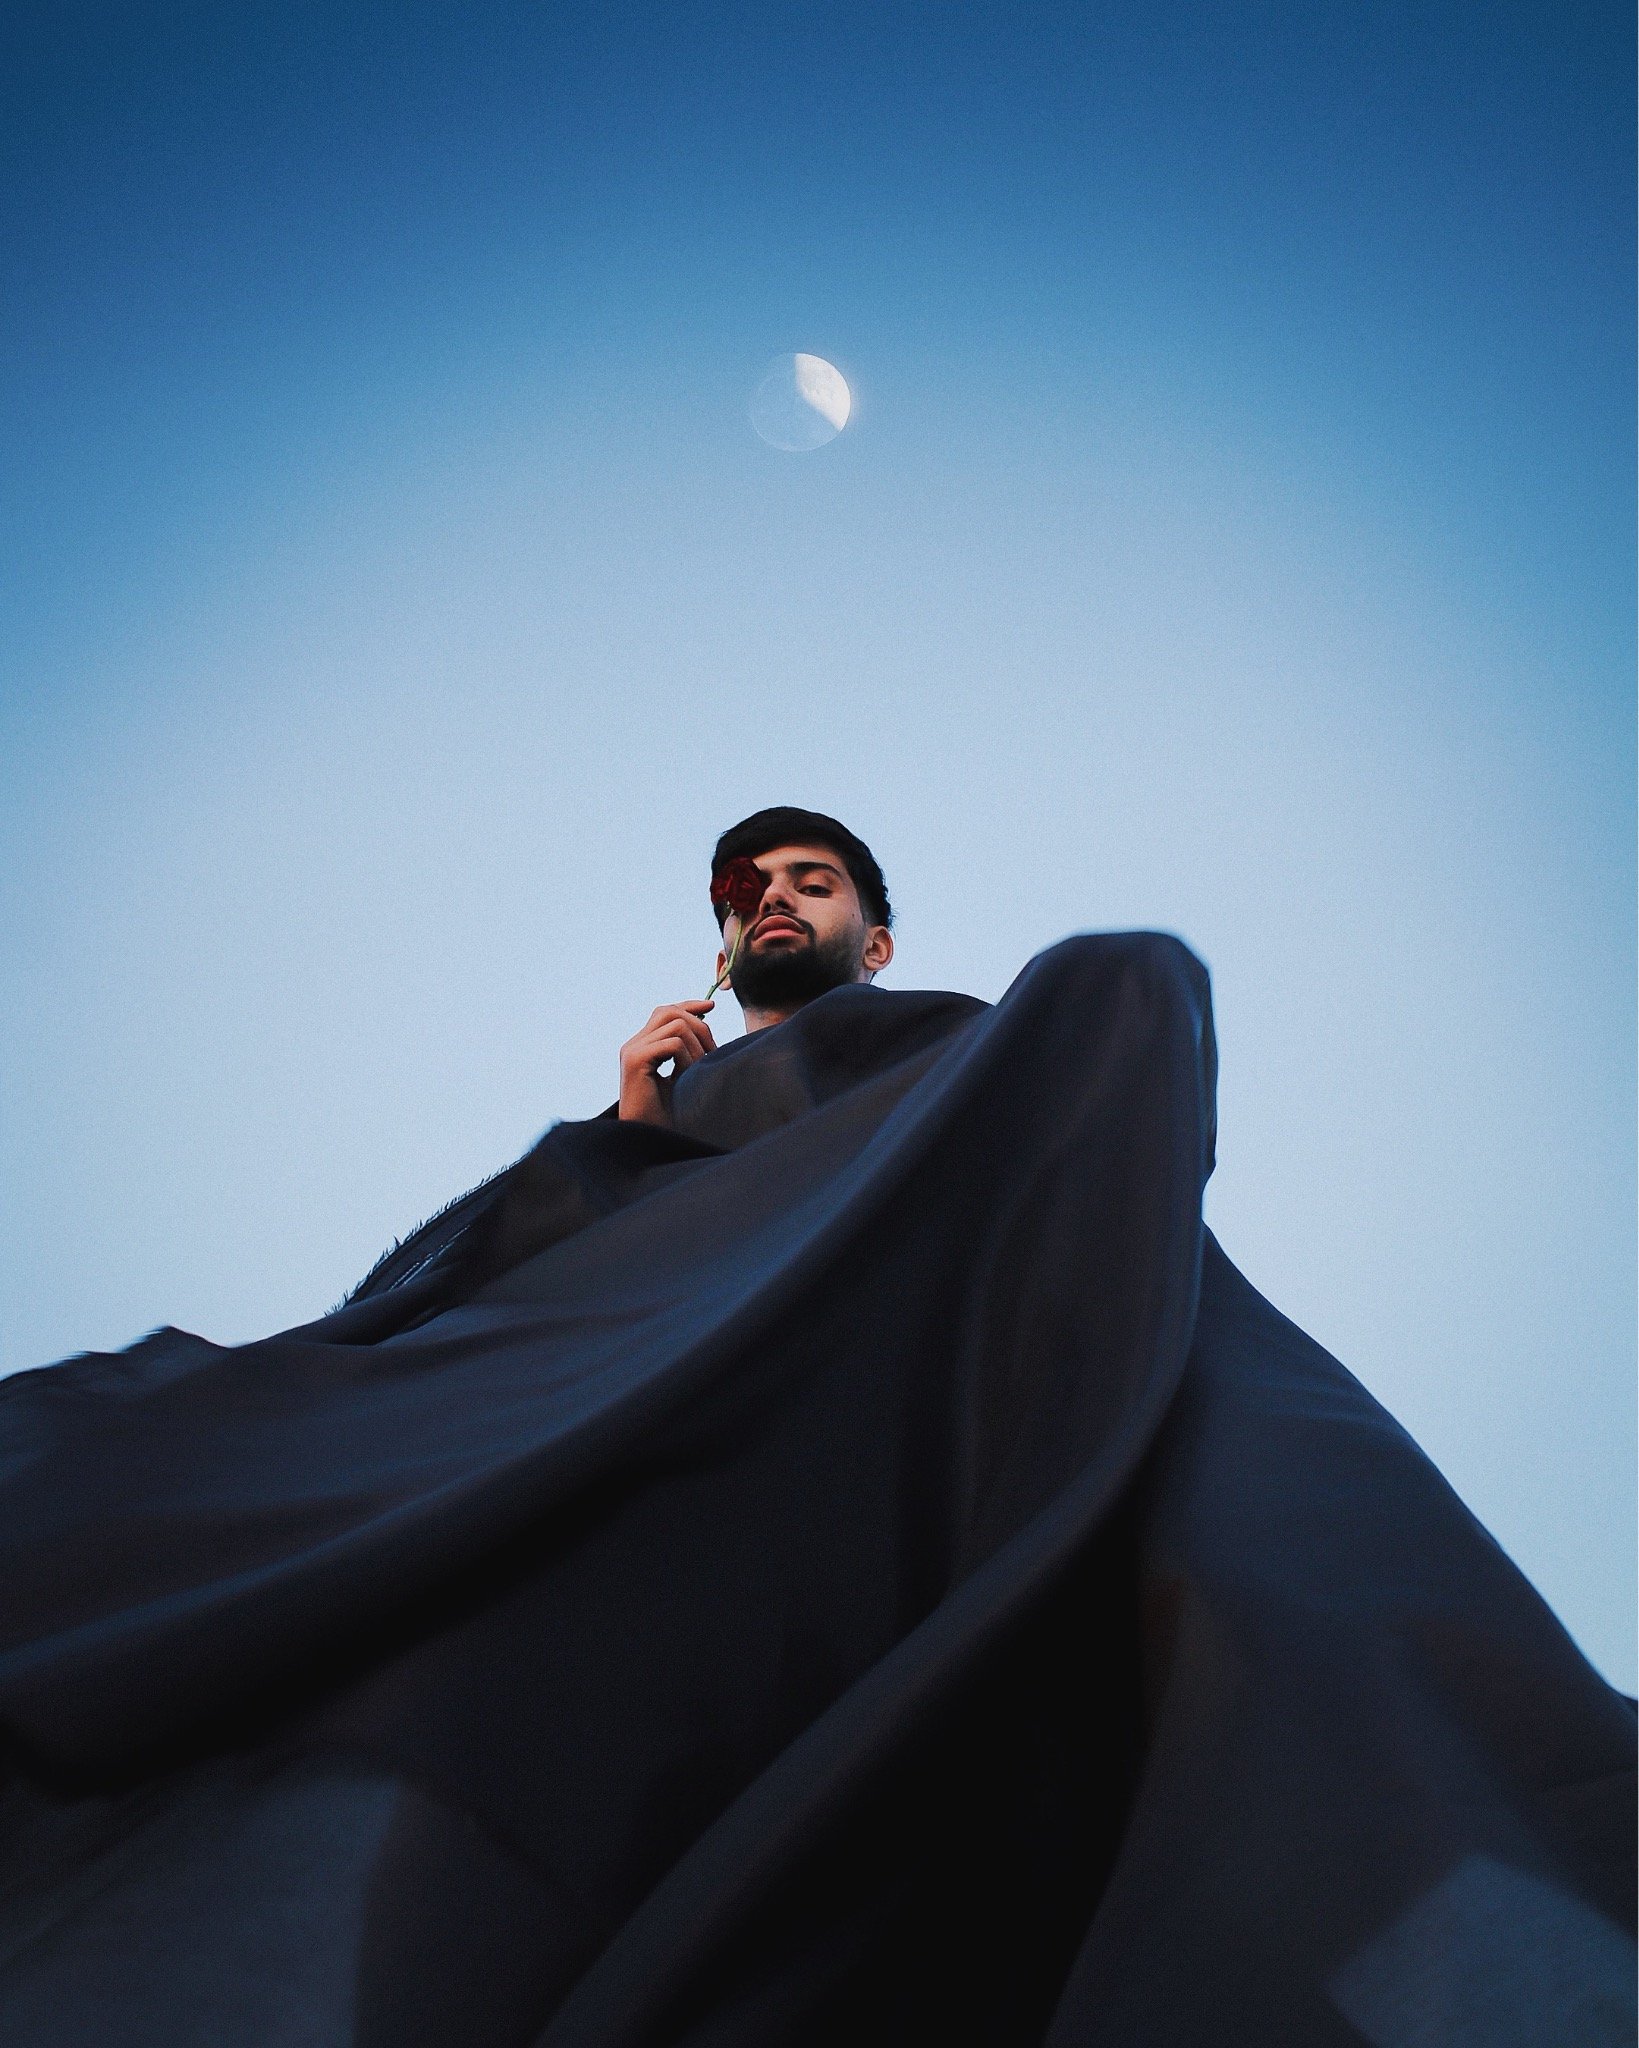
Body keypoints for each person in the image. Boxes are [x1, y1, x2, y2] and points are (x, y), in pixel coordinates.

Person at [0, 810, 1630, 2048]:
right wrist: (632, 1130)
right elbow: (452, 1301)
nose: (770, 897)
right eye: (744, 890)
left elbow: (1086, 1096)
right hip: (657, 1420)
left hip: (939, 1369)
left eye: (808, 881)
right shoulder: (647, 1133)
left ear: (869, 940)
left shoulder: (948, 1050)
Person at [617, 806, 896, 1126]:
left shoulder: (945, 1054)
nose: (773, 896)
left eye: (815, 887)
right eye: (745, 899)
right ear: (724, 968)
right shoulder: (674, 1115)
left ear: (875, 947)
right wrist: (640, 1139)